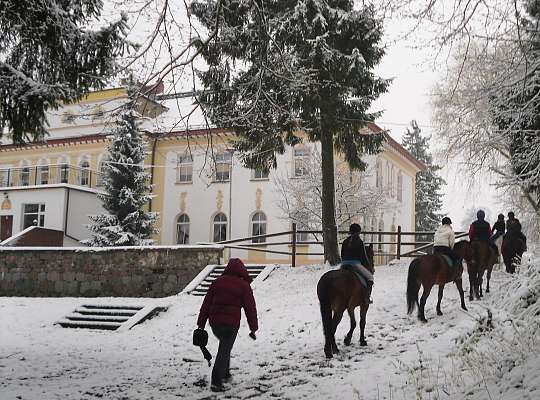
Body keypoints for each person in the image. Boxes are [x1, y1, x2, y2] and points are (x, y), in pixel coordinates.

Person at [196, 258, 258, 392]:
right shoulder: (243, 286)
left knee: (225, 346)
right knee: (224, 350)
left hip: (215, 324)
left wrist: (201, 323)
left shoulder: (217, 282)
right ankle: (216, 382)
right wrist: (253, 327)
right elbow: (250, 308)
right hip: (231, 325)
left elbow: (206, 304)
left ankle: (225, 374)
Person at [340, 223, 374, 303]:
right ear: (359, 232)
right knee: (370, 278)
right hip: (355, 264)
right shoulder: (359, 242)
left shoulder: (345, 241)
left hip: (344, 264)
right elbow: (364, 257)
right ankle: (367, 298)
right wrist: (369, 267)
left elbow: (342, 255)